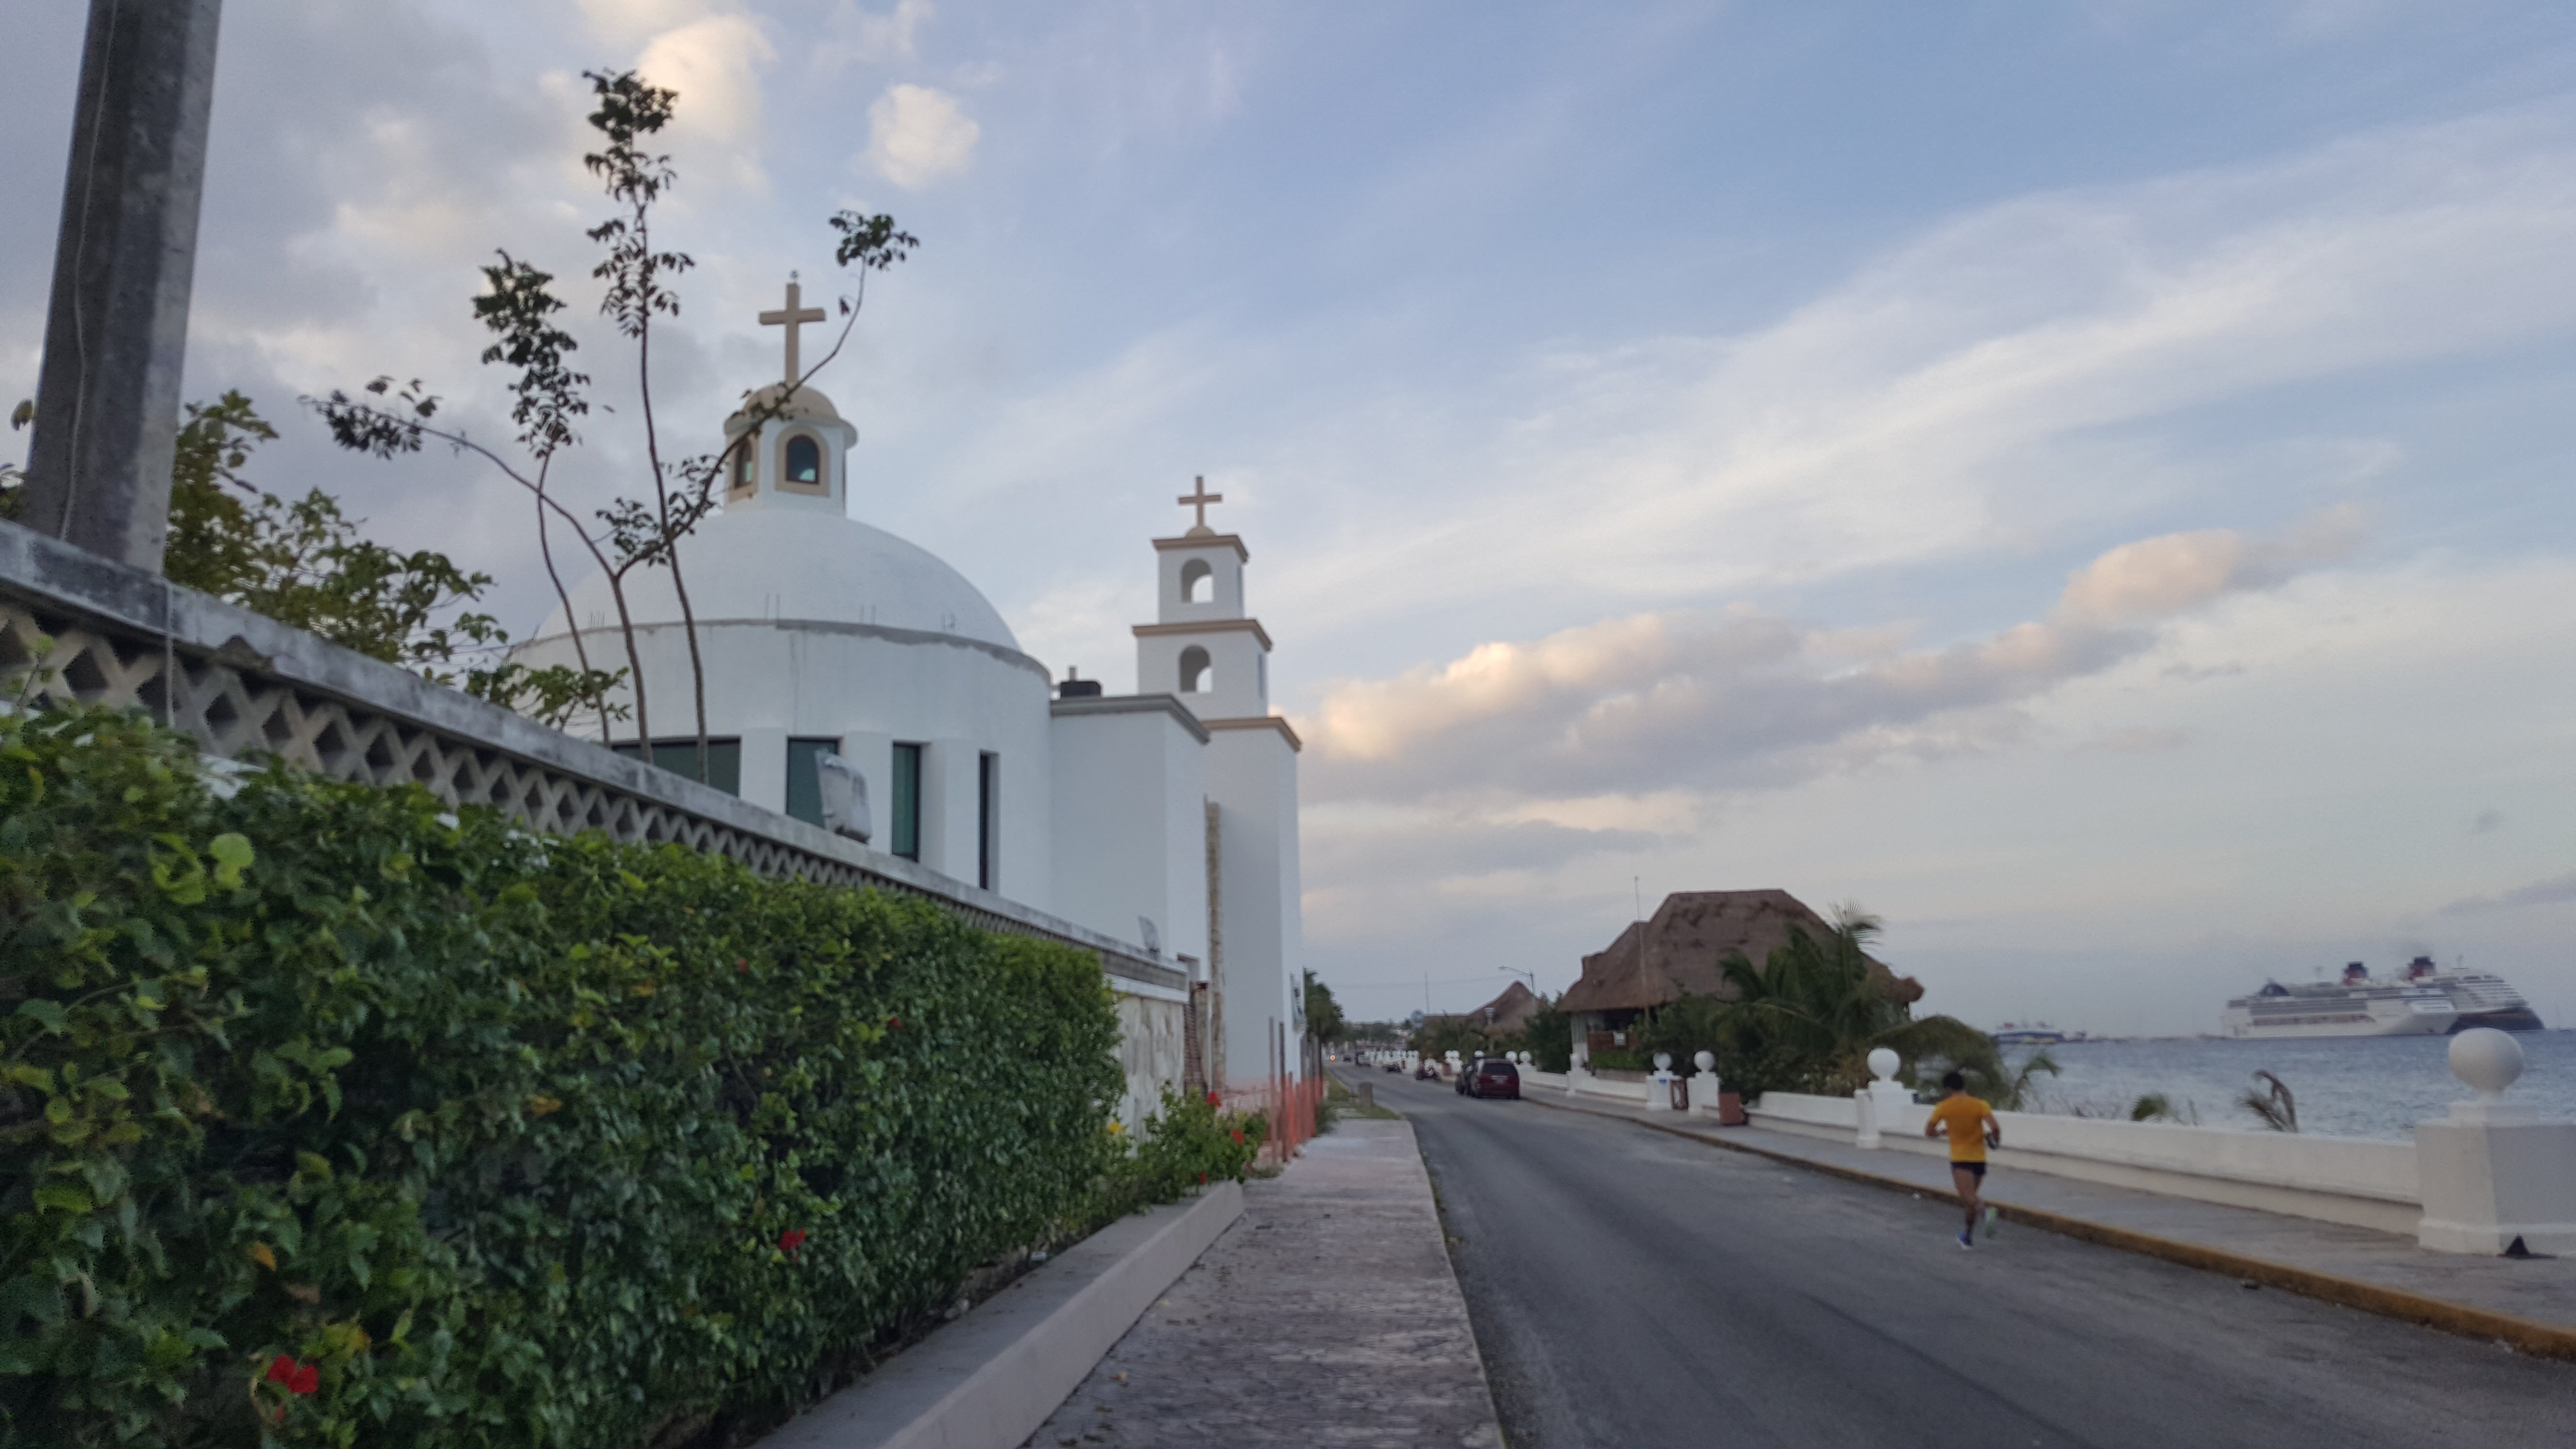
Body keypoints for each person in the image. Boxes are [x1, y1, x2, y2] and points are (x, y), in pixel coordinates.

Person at [1923, 1070, 2000, 1249]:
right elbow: (1995, 1127)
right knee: (1969, 1200)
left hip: (1961, 1159)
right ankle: (1967, 1237)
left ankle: (1985, 1211)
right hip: (1979, 1159)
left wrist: (1941, 1133)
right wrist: (1995, 1142)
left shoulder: (1944, 1107)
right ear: (1963, 1085)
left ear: (1949, 1088)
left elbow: (1928, 1132)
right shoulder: (1980, 1104)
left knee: (1968, 1198)